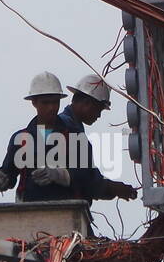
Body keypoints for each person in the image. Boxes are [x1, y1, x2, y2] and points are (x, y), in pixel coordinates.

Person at [0, 72, 77, 201]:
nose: (52, 107)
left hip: (64, 211)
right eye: (46, 103)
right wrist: (0, 179)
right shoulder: (21, 139)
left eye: (55, 102)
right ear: (34, 102)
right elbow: (9, 174)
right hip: (28, 211)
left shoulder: (74, 136)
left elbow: (86, 177)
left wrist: (60, 175)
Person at [58, 74, 138, 203]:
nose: (99, 116)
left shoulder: (69, 126)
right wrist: (113, 188)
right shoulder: (69, 129)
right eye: (99, 110)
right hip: (63, 209)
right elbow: (84, 179)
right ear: (87, 103)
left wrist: (112, 187)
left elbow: (87, 176)